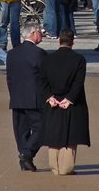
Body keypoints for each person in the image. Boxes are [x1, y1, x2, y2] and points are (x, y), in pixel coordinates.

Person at [38, 28, 90, 176]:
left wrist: (49, 97)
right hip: (72, 101)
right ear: (72, 42)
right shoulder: (79, 59)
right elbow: (78, 83)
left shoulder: (48, 59)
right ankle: (66, 168)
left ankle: (55, 167)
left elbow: (42, 80)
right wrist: (70, 98)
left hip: (53, 100)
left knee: (54, 136)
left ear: (59, 40)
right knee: (70, 136)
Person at [6, 21, 47, 172]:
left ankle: (25, 157)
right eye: (40, 32)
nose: (41, 34)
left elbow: (9, 78)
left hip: (17, 97)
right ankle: (26, 154)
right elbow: (45, 77)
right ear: (33, 34)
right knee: (41, 128)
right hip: (34, 98)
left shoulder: (12, 53)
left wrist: (13, 93)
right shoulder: (39, 53)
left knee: (20, 130)